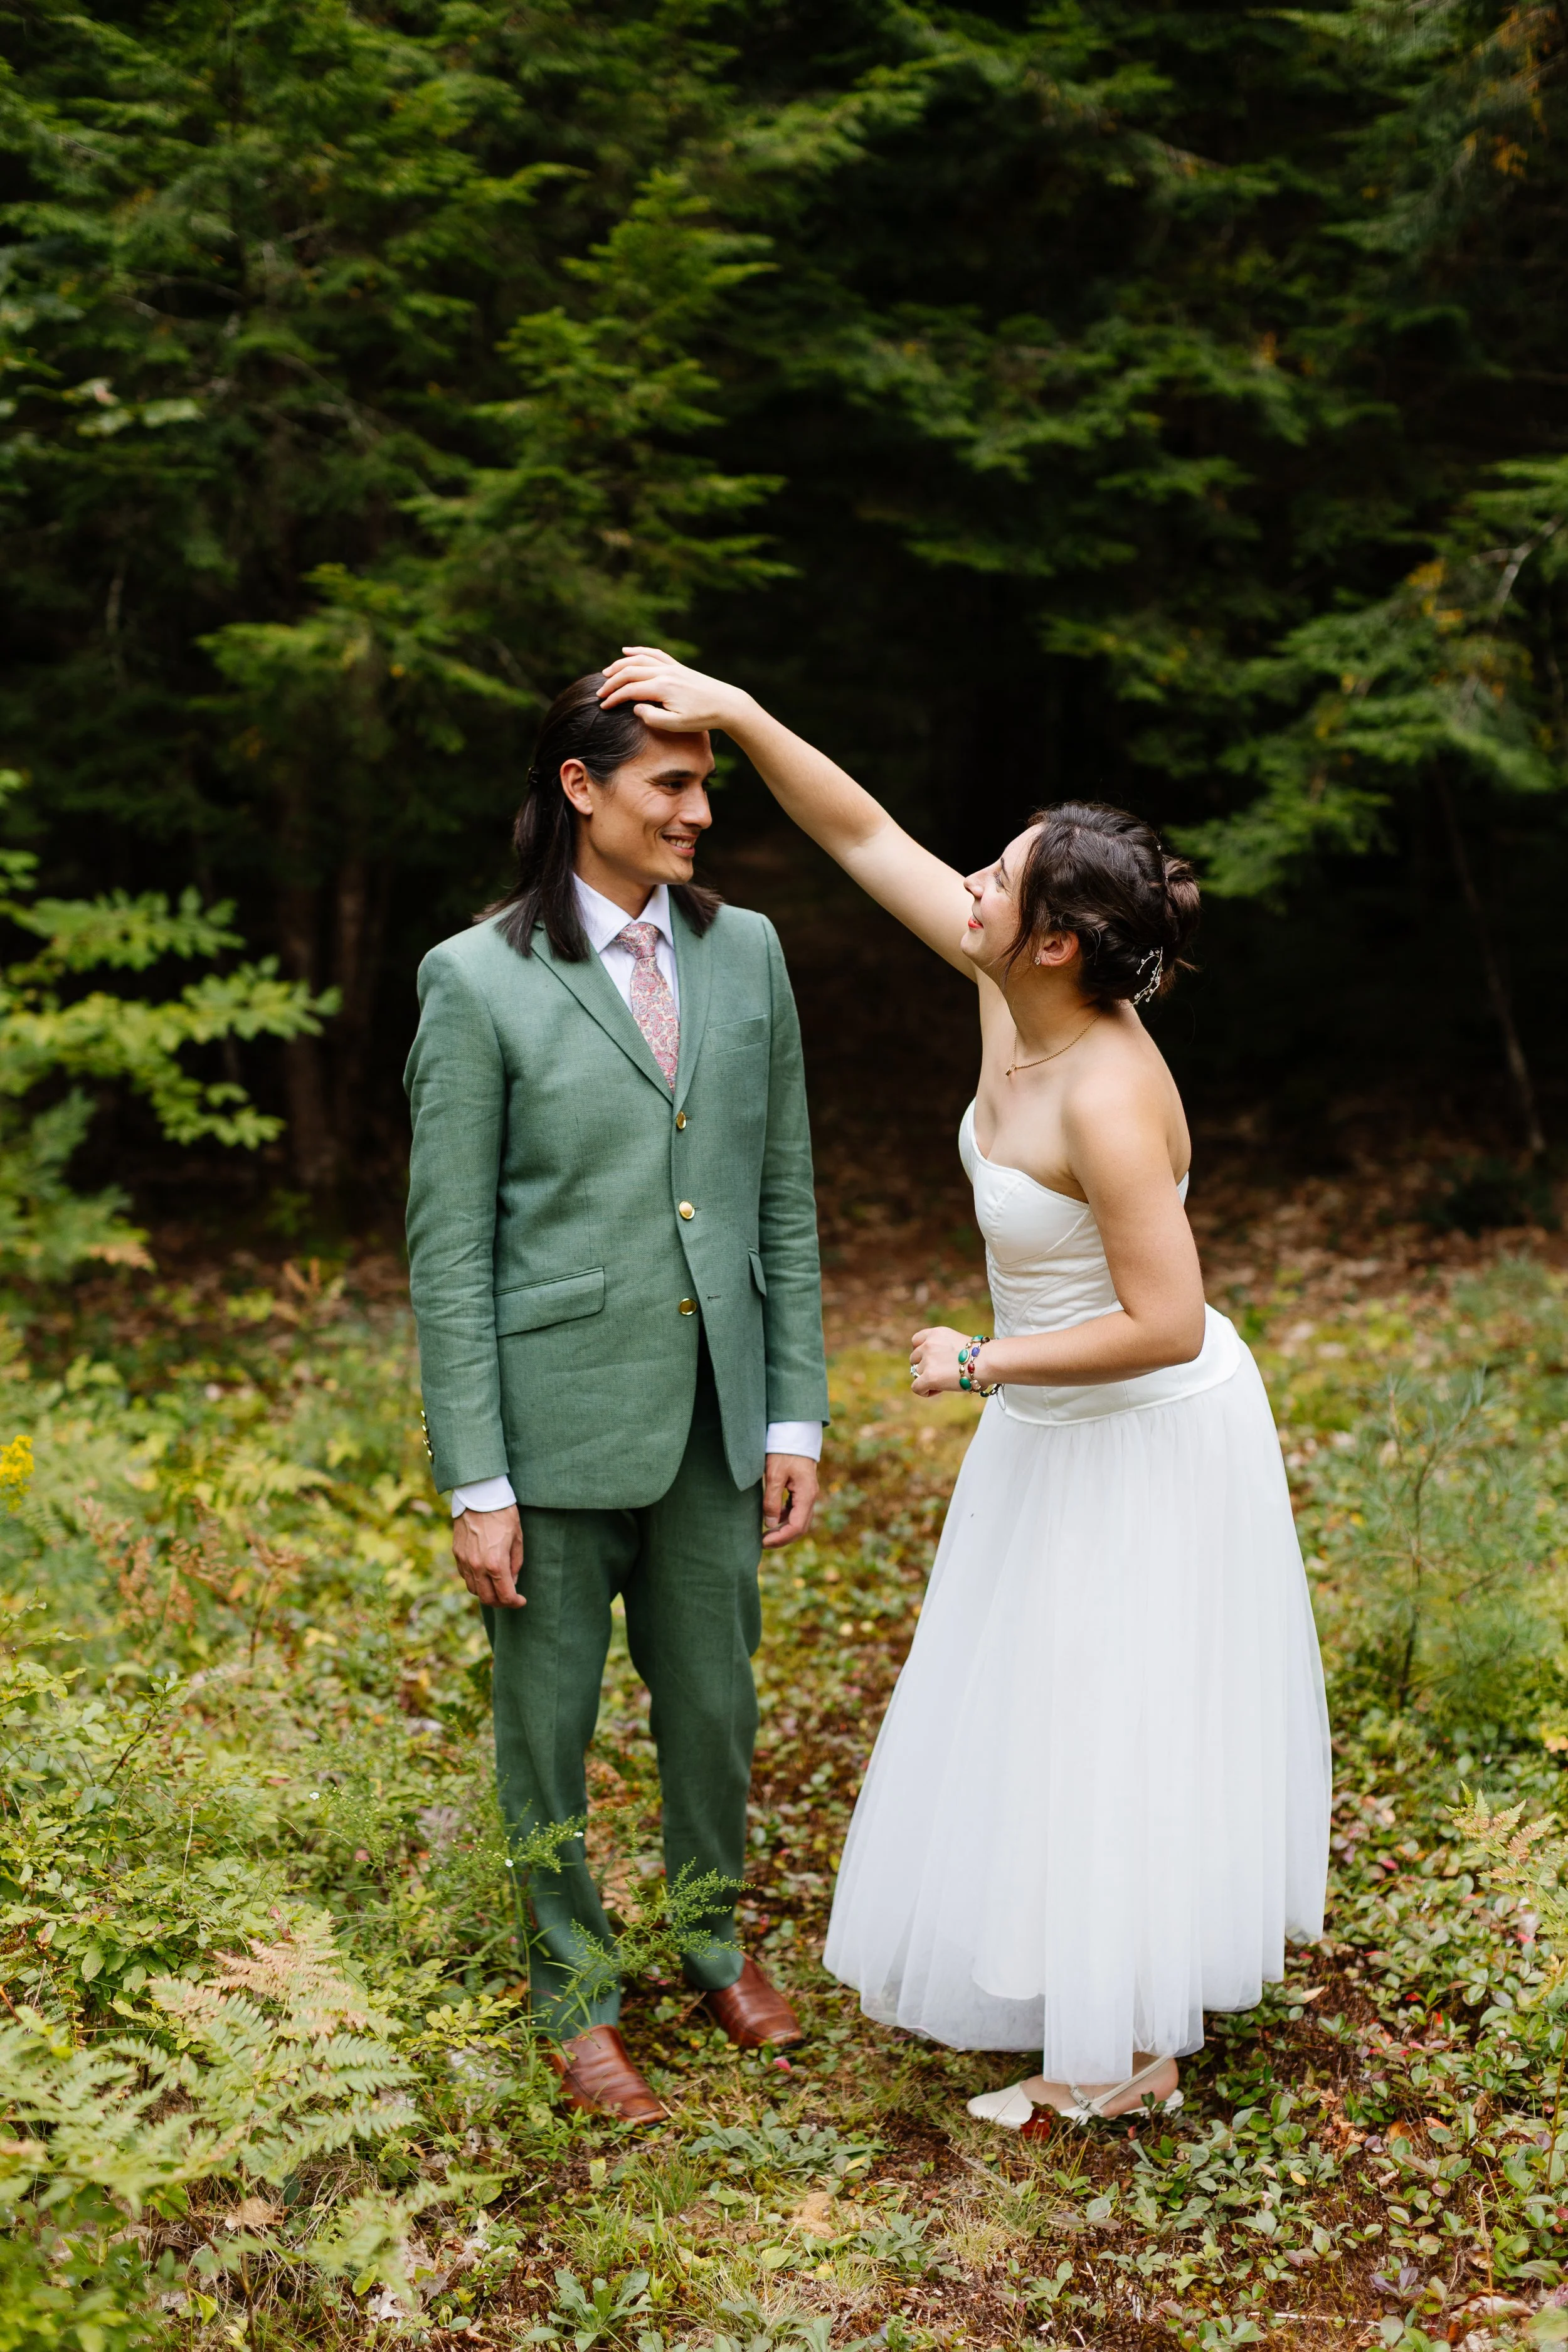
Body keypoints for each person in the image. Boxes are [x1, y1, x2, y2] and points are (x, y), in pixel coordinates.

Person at [598, 647, 1332, 2132]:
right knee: (1057, 1706)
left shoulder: (1106, 1091)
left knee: (1107, 1707)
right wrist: (734, 710)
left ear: (1055, 940)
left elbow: (1170, 1320)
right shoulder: (1012, 993)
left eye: (994, 881)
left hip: (1140, 1431)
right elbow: (864, 835)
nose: (967, 891)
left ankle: (1116, 2061)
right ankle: (1109, 2019)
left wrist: (981, 1362)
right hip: (1053, 1428)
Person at [403, 672, 830, 2125]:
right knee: (548, 1729)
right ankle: (574, 1991)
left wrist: (792, 1414)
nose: (700, 812)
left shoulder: (749, 953)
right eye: (670, 785)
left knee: (714, 1709)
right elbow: (447, 1252)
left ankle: (710, 1933)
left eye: (706, 784)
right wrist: (476, 1479)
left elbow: (780, 1192)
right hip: (552, 1424)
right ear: (583, 790)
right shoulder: (475, 979)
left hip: (718, 1413)